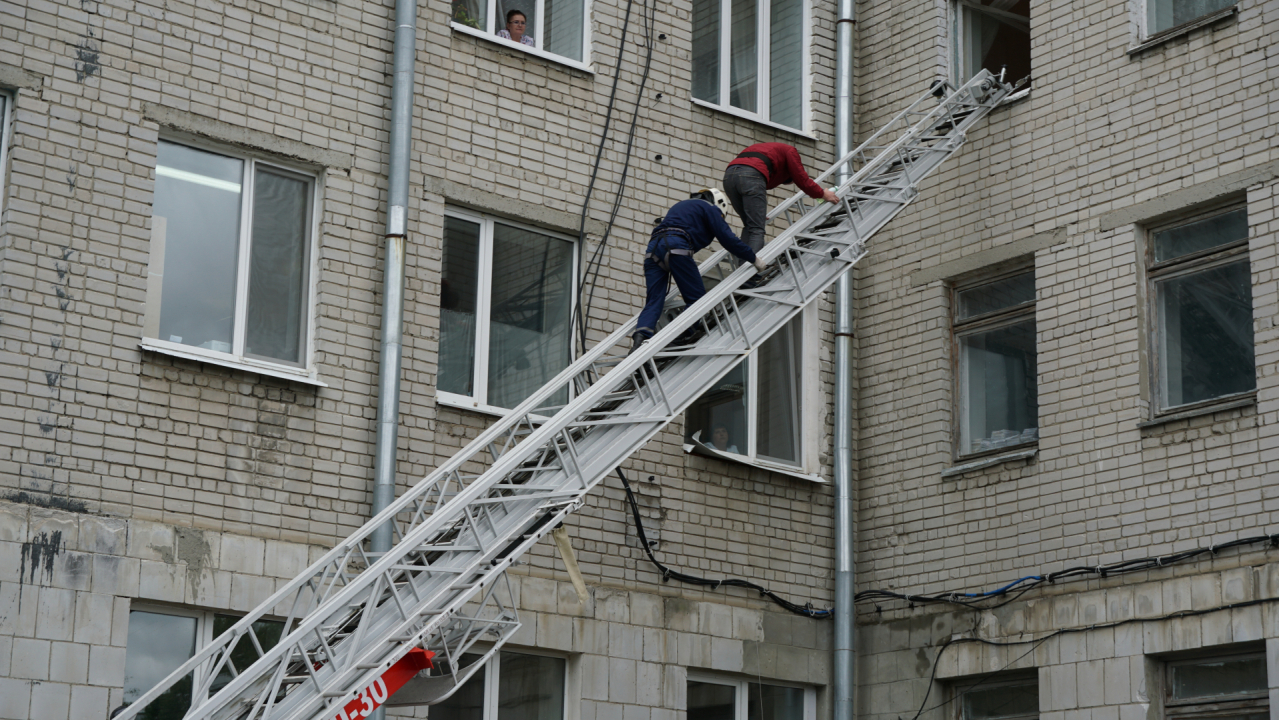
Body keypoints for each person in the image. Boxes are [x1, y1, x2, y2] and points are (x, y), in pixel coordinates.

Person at [631, 189, 767, 354]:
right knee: (696, 300)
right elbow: (728, 239)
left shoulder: (681, 207)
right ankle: (678, 337)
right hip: (676, 246)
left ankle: (639, 340)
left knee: (654, 301)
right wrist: (753, 258)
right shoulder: (710, 209)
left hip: (653, 250)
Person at [723, 142, 840, 256]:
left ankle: (742, 266)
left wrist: (757, 212)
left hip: (729, 176)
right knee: (757, 229)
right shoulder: (790, 151)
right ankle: (750, 269)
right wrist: (823, 193)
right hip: (752, 175)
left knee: (750, 225)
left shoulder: (767, 149)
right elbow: (802, 179)